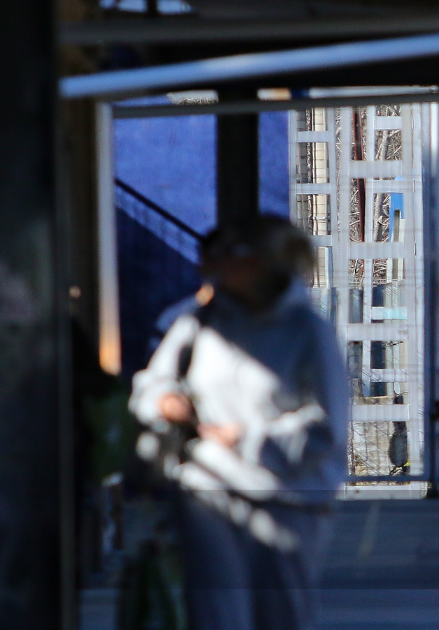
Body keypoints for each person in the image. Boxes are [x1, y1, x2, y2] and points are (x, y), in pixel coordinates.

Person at [129, 216, 348, 630]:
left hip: (286, 500)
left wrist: (245, 439)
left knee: (281, 616)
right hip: (205, 487)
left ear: (266, 263)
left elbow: (326, 429)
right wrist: (163, 400)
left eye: (233, 252)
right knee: (213, 615)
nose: (213, 264)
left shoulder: (308, 332)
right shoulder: (199, 321)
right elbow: (148, 386)